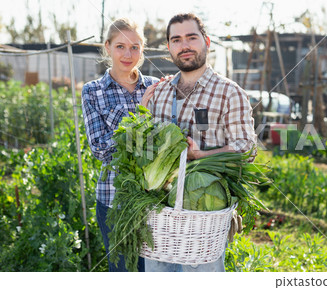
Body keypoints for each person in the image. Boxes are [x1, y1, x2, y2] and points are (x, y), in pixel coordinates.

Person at [145, 13, 257, 272]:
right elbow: (145, 147)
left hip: (202, 217)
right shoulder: (159, 93)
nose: (184, 46)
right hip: (160, 219)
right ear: (169, 48)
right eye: (176, 40)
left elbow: (247, 149)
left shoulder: (229, 92)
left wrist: (200, 156)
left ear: (206, 42)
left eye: (191, 37)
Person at [81, 18, 159, 272]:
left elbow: (166, 141)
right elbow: (101, 150)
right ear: (107, 47)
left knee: (154, 272)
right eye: (120, 46)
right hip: (113, 200)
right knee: (122, 272)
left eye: (135, 47)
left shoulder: (155, 88)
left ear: (143, 50)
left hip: (155, 200)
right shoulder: (93, 91)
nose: (128, 54)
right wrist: (141, 114)